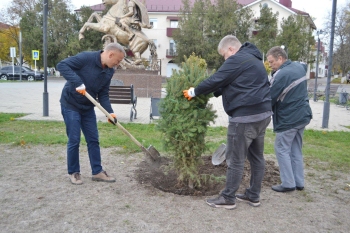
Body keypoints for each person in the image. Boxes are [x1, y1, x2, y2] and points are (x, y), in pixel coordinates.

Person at [183, 35, 272, 209]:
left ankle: (228, 198)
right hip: (263, 115)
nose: (224, 59)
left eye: (224, 55)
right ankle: (253, 195)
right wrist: (214, 92)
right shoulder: (253, 59)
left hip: (244, 118)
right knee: (256, 157)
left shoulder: (237, 59)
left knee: (235, 159)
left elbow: (216, 78)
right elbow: (231, 83)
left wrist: (194, 92)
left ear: (231, 49)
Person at [57, 42, 125, 185]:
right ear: (110, 54)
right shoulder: (86, 58)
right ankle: (74, 172)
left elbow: (103, 94)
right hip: (71, 104)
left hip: (87, 108)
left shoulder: (109, 71)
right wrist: (77, 82)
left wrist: (110, 113)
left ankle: (97, 172)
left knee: (93, 139)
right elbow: (62, 65)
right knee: (74, 139)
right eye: (118, 60)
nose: (117, 64)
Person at [266, 46, 312, 192]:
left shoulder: (281, 75)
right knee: (295, 149)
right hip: (303, 115)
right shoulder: (298, 67)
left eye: (272, 62)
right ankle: (299, 182)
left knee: (281, 148)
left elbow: (269, 97)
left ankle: (288, 183)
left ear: (280, 58)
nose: (270, 65)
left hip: (289, 119)